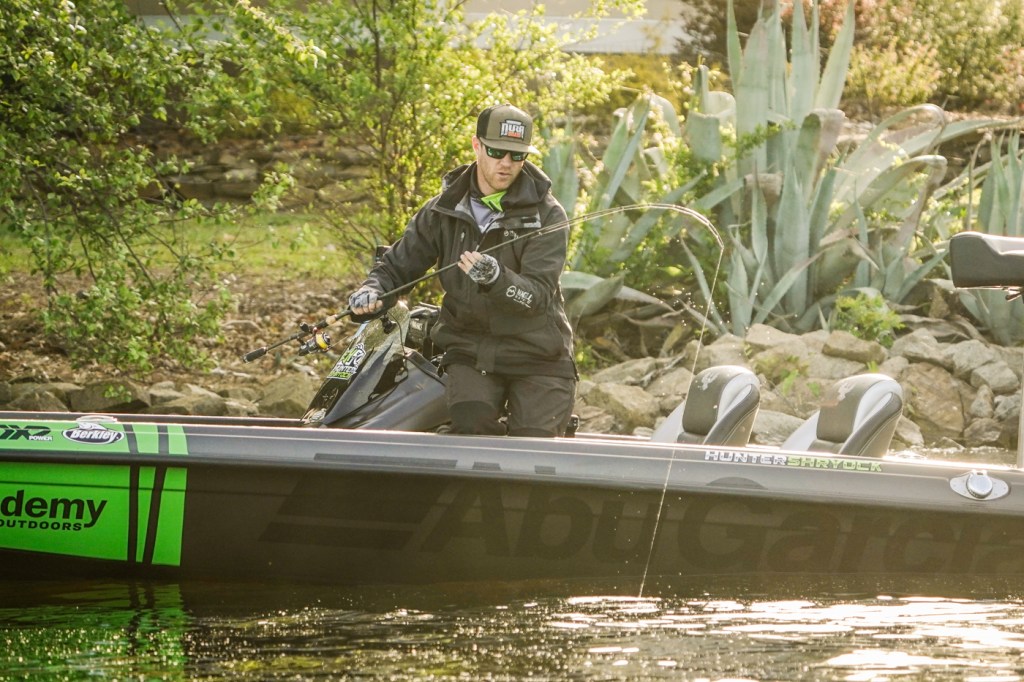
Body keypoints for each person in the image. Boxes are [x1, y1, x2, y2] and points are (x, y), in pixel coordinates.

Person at [347, 102, 577, 437]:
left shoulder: (549, 215)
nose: (506, 163)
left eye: (517, 155)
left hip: (539, 355)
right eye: (496, 152)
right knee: (471, 430)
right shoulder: (441, 210)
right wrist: (373, 291)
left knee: (532, 445)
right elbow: (396, 268)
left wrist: (496, 279)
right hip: (470, 353)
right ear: (476, 145)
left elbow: (538, 296)